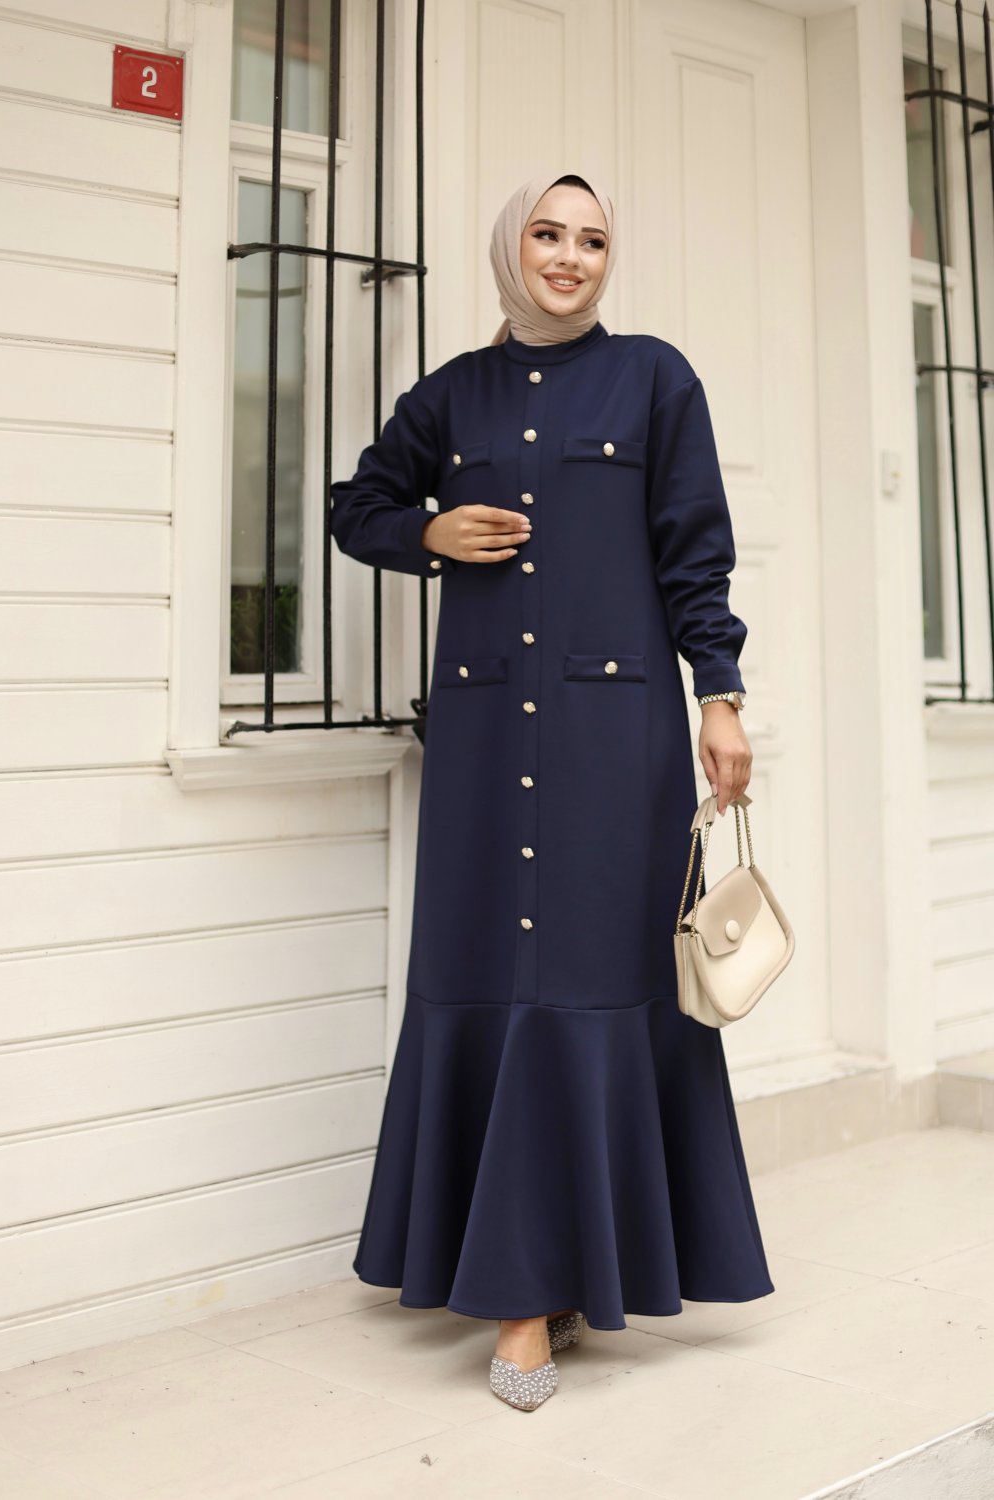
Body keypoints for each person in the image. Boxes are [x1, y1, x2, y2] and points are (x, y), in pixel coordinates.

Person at [329, 170, 774, 1412]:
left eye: (591, 240)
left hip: (615, 742)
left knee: (595, 981)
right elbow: (356, 505)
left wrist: (719, 694)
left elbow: (694, 550)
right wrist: (425, 534)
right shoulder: (452, 394)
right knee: (495, 980)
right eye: (546, 234)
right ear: (510, 247)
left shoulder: (653, 379)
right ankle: (524, 1295)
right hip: (483, 743)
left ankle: (560, 1283)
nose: (569, 257)